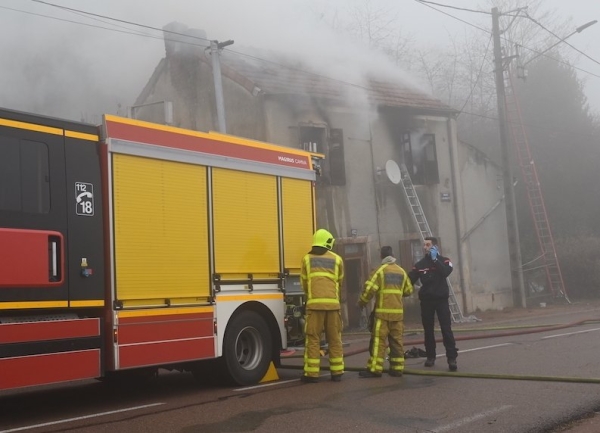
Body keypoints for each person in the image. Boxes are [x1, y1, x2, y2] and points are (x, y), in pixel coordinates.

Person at [357, 246, 413, 378]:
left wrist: (361, 302)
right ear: (392, 255)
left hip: (382, 315)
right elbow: (409, 290)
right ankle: (397, 368)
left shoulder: (380, 271)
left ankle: (375, 370)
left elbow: (369, 289)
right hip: (397, 315)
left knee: (379, 342)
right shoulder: (401, 272)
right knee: (397, 342)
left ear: (382, 256)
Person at [300, 229, 345, 383]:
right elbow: (340, 281)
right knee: (334, 339)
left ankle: (312, 375)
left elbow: (304, 283)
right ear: (328, 242)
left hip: (314, 306)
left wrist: (312, 295)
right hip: (333, 306)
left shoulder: (306, 259)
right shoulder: (337, 259)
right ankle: (337, 373)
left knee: (313, 339)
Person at [408, 236, 458, 371]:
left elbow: (446, 272)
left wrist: (436, 259)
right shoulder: (420, 264)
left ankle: (451, 358)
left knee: (446, 329)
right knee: (428, 330)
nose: (425, 247)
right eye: (424, 245)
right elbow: (409, 279)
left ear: (435, 247)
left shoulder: (445, 261)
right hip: (427, 301)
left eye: (428, 245)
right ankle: (431, 357)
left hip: (441, 300)